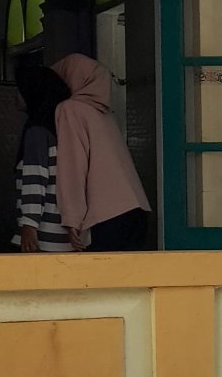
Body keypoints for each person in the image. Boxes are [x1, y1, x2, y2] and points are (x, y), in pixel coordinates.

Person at [50, 54, 151, 251]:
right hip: (137, 210)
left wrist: (72, 218)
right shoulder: (104, 115)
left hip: (107, 216)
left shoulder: (70, 109)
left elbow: (73, 166)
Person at [11, 60, 71, 252]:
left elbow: (34, 178)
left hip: (42, 235)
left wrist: (28, 224)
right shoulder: (62, 128)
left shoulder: (36, 132)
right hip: (65, 235)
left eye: (19, 89)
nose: (16, 95)